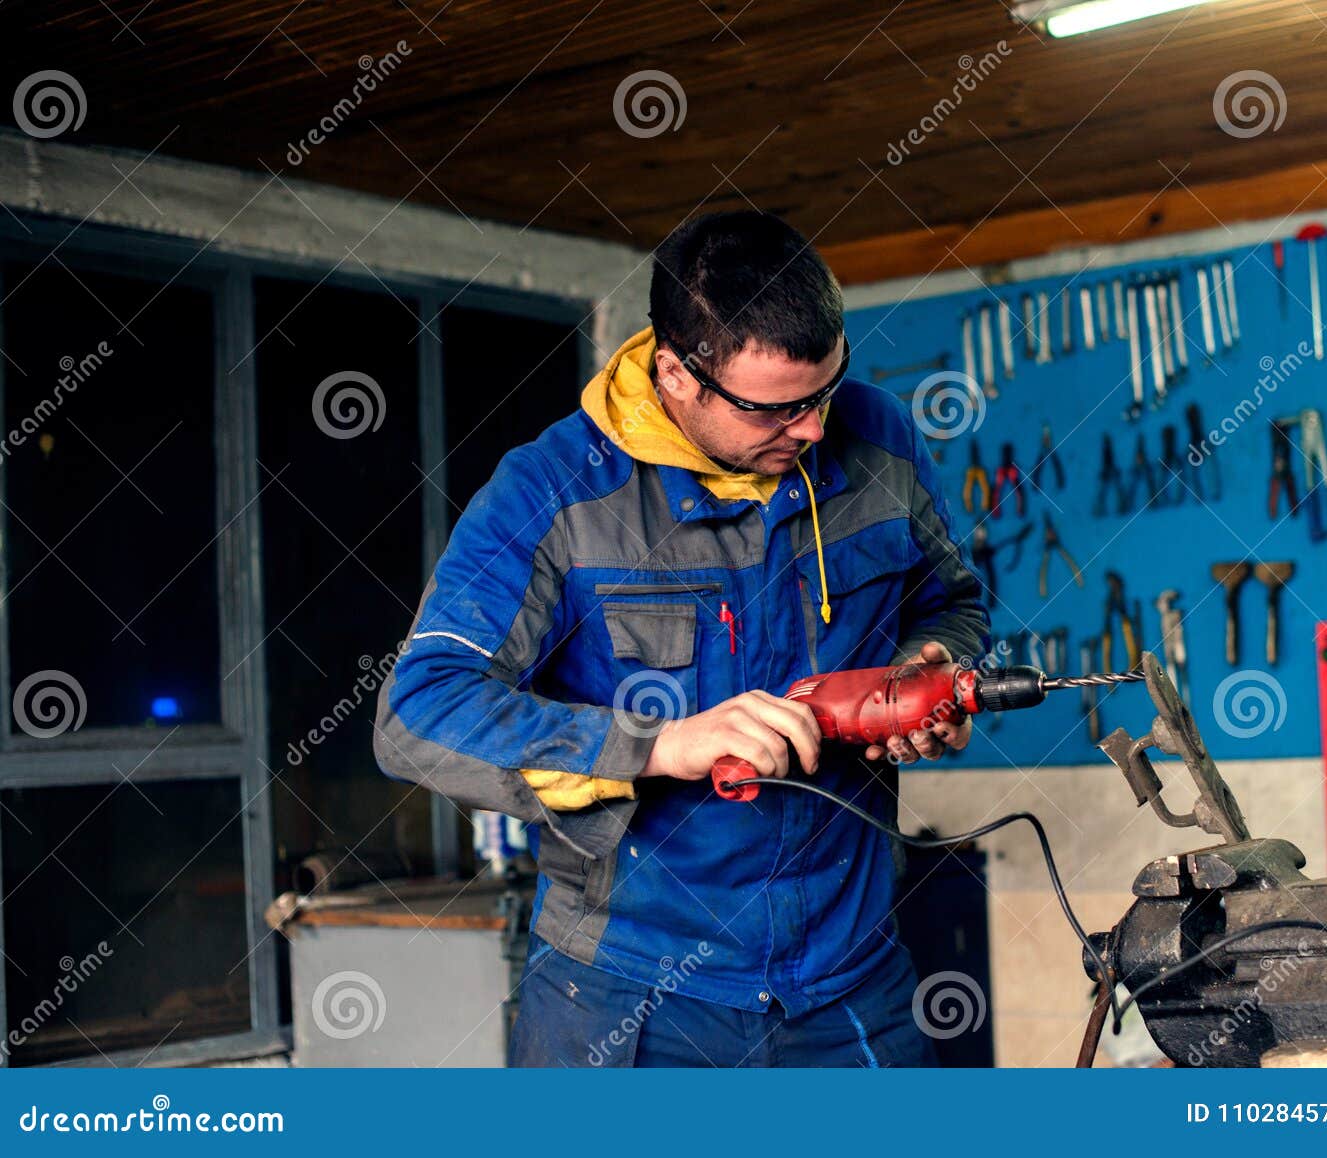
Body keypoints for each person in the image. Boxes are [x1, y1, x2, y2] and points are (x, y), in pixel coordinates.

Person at [374, 210, 989, 1067]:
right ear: (677, 375)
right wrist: (656, 745)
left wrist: (935, 669)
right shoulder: (554, 493)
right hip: (629, 997)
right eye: (775, 410)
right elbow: (417, 714)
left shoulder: (878, 438)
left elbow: (952, 602)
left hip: (851, 982)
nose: (812, 430)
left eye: (824, 392)